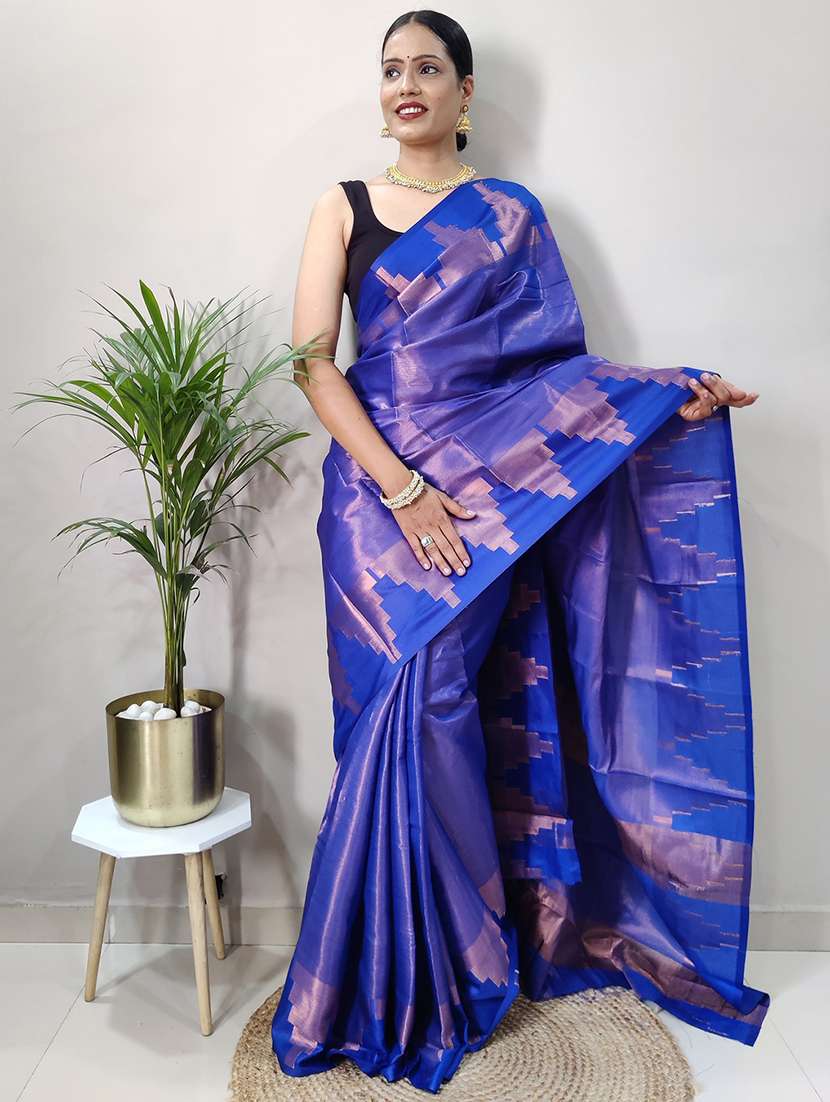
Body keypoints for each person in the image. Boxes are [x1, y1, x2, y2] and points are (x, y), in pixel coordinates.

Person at [271, 9, 768, 1095]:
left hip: (484, 498)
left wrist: (666, 396)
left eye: (428, 68)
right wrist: (402, 489)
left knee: (444, 712)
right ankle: (372, 972)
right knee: (388, 717)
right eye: (391, 70)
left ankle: (457, 964)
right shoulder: (341, 205)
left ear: (465, 93)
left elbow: (553, 380)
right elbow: (313, 365)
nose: (406, 84)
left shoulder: (510, 217)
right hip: (375, 501)